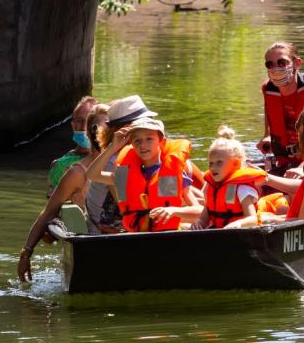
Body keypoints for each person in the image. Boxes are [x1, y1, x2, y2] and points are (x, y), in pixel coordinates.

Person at [18, 104, 110, 282]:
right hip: (91, 247)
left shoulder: (131, 165)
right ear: (93, 133)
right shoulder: (76, 172)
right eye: (107, 127)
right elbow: (48, 211)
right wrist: (26, 253)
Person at [232, 104, 304, 227]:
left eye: (299, 132)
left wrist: (267, 220)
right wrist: (266, 178)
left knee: (252, 220)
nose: (298, 138)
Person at [86, 108, 200, 232]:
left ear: (161, 141)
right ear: (132, 144)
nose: (143, 145)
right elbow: (92, 175)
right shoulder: (125, 174)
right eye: (137, 140)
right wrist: (112, 148)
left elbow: (199, 211)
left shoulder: (171, 174)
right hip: (138, 239)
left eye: (149, 139)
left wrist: (173, 211)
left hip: (167, 238)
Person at [259, 41, 304, 173]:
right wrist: (267, 135)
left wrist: (302, 168)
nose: (275, 68)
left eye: (282, 62)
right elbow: (269, 110)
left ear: (297, 63)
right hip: (284, 161)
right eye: (270, 64)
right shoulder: (268, 89)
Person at [192, 126, 267, 230]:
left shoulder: (242, 189)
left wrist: (239, 224)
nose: (213, 167)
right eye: (211, 163)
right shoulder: (212, 186)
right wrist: (199, 223)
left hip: (240, 234)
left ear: (235, 164)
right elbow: (205, 216)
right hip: (220, 232)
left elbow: (252, 219)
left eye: (219, 163)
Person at [46, 95, 98, 197]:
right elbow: (55, 207)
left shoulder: (111, 157)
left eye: (89, 121)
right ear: (73, 125)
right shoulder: (60, 165)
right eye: (79, 121)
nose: (84, 126)